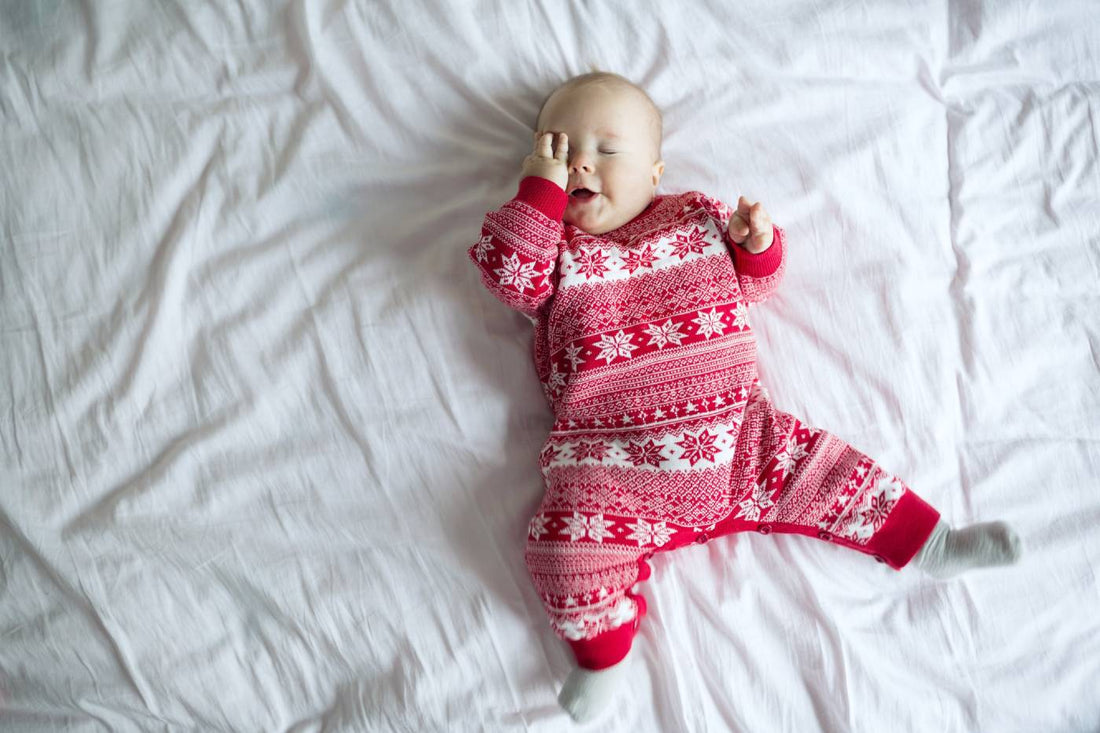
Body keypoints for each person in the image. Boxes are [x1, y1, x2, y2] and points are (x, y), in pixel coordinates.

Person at [467, 71, 1022, 723]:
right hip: (612, 468)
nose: (580, 161)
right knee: (562, 544)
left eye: (606, 150)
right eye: (558, 149)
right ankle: (603, 653)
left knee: (834, 472)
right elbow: (508, 274)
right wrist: (539, 187)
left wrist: (757, 247)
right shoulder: (554, 252)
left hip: (740, 440)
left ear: (654, 171)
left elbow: (755, 286)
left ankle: (932, 543)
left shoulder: (692, 219)